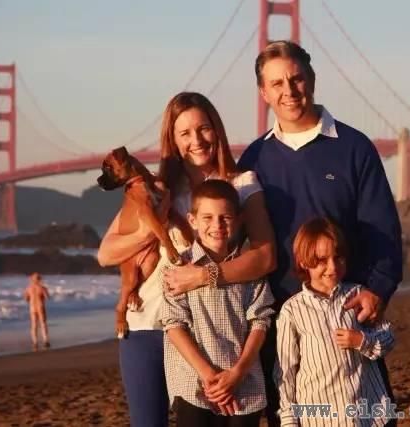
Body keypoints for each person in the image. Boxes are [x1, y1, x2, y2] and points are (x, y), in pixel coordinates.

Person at [236, 40, 402, 425]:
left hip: (347, 315)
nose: (289, 90)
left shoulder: (355, 148)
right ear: (263, 93)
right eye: (276, 83)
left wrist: (378, 289)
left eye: (296, 79)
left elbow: (383, 230)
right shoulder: (253, 159)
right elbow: (229, 239)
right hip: (283, 321)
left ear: (311, 79)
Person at [97, 91, 277, 427]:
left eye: (204, 128)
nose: (197, 140)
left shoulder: (242, 184)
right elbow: (106, 254)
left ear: (217, 130)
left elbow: (266, 257)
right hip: (148, 324)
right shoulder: (158, 189)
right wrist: (154, 227)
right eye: (185, 133)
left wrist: (203, 276)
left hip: (211, 332)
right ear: (173, 141)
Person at [161, 179, 275, 427]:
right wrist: (209, 376)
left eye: (225, 217)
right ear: (192, 220)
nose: (217, 225)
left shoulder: (249, 268)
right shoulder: (179, 268)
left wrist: (237, 373)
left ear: (239, 219)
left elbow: (260, 321)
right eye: (208, 217)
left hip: (244, 383)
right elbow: (173, 325)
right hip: (195, 383)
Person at [275, 217, 395, 426]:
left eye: (338, 258)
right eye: (322, 260)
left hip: (367, 417)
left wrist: (362, 341)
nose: (332, 267)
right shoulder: (292, 311)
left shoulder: (358, 295)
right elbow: (285, 373)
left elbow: (388, 338)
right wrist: (289, 421)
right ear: (303, 262)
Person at [23, 272, 50, 349]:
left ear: (31, 279)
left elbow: (26, 299)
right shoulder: (42, 288)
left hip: (32, 307)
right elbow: (47, 297)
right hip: (40, 306)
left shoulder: (28, 288)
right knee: (43, 323)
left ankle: (35, 342)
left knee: (34, 325)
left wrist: (31, 299)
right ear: (39, 279)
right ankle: (45, 340)